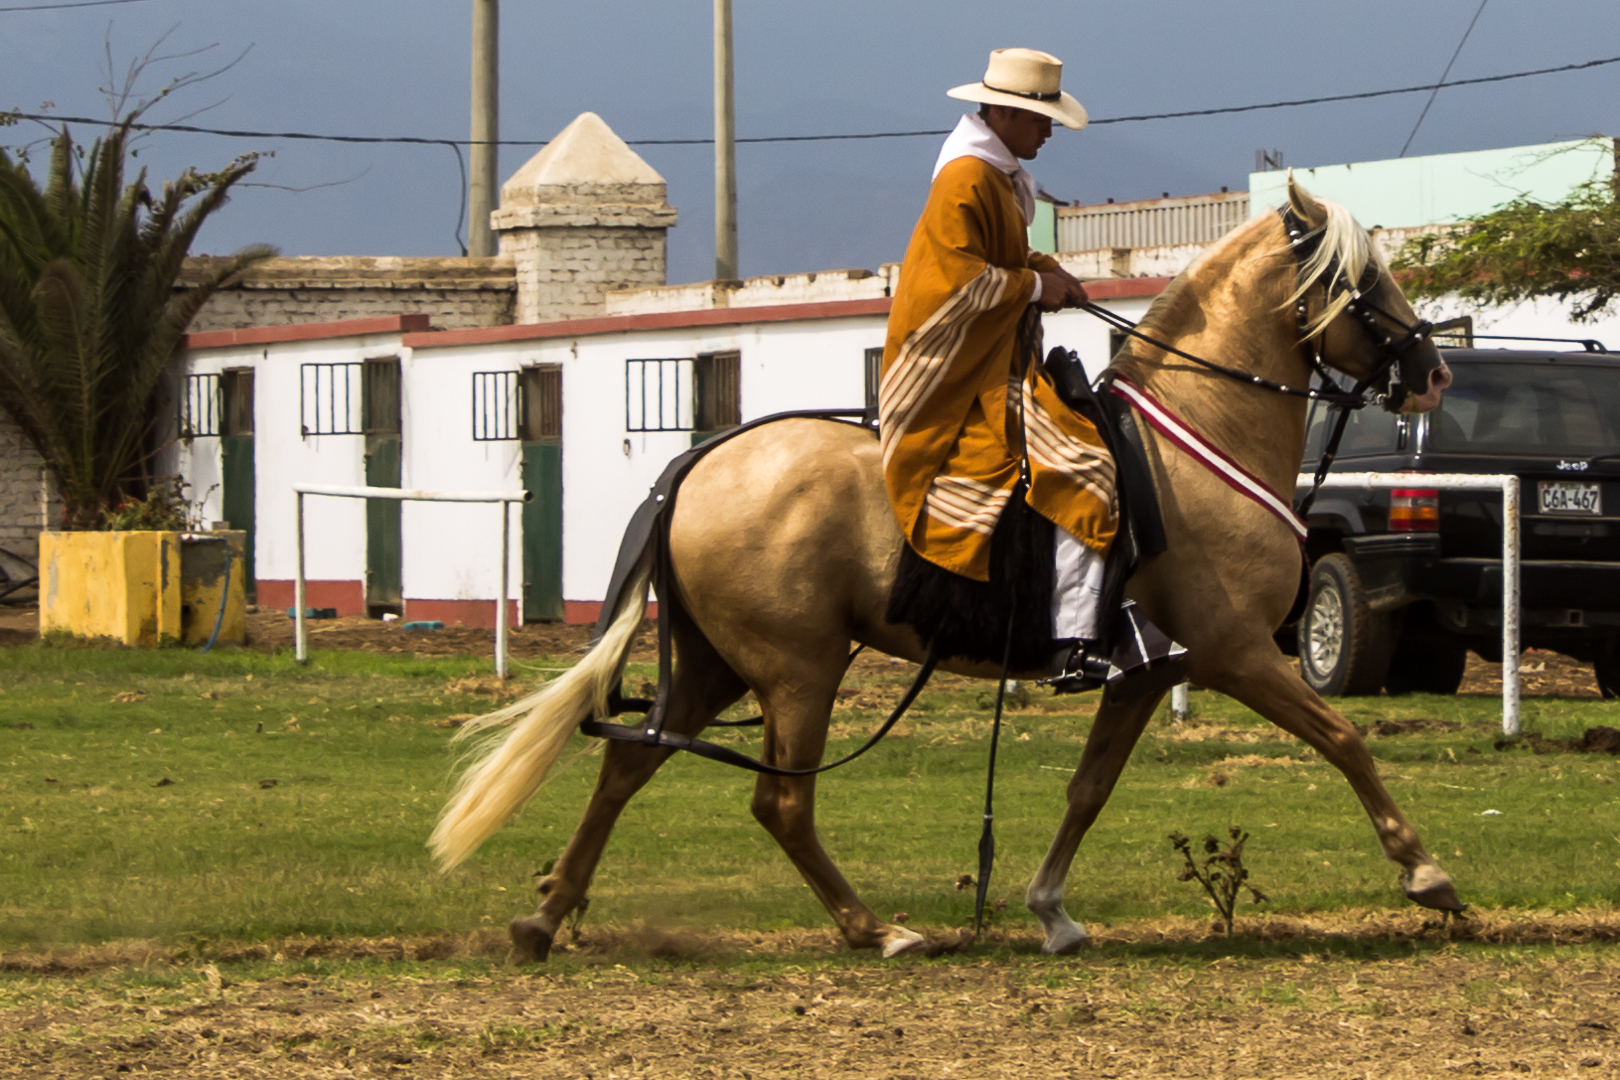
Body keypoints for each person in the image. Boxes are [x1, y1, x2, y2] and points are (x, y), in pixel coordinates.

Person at [879, 48, 1135, 690]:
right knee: (1088, 469)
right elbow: (950, 284)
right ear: (1003, 113)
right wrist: (1030, 287)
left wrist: (1042, 269)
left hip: (992, 358)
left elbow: (995, 257)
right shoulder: (967, 178)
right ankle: (1073, 639)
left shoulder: (993, 175)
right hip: (958, 374)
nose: (1048, 131)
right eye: (1040, 119)